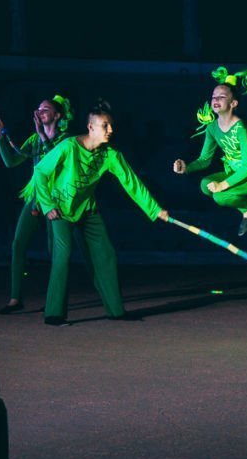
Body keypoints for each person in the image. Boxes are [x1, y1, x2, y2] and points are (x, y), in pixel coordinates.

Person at [23, 99, 169, 325]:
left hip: (87, 210)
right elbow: (40, 171)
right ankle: (54, 313)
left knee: (106, 254)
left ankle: (116, 311)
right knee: (63, 255)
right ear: (91, 127)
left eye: (111, 126)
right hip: (60, 210)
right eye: (104, 126)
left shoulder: (110, 155)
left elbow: (131, 183)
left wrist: (155, 210)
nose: (110, 130)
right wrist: (48, 204)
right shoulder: (69, 147)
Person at [0, 93, 73, 314]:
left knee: (55, 250)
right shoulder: (35, 139)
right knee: (18, 244)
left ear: (57, 115)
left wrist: (43, 137)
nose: (39, 112)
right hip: (36, 198)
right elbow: (11, 161)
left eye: (45, 109)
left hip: (56, 199)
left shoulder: (66, 140)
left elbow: (57, 163)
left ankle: (56, 299)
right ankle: (15, 299)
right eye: (38, 109)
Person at [171, 68, 247, 236]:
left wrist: (222, 185)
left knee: (220, 196)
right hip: (234, 174)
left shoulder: (241, 128)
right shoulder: (212, 128)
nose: (216, 100)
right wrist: (187, 167)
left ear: (233, 103)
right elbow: (204, 159)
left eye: (222, 97)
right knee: (205, 185)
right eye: (213, 97)